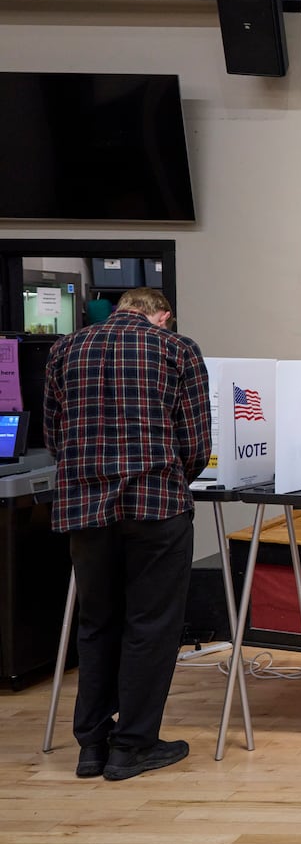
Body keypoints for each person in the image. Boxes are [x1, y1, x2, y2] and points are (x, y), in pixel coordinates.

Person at [44, 287, 211, 781]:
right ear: (163, 316)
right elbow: (196, 440)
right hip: (156, 504)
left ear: (118, 309)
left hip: (84, 508)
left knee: (95, 623)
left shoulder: (64, 349)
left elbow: (55, 436)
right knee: (151, 624)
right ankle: (133, 746)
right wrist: (176, 476)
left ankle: (91, 747)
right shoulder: (177, 348)